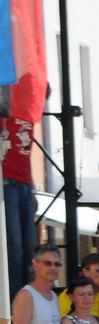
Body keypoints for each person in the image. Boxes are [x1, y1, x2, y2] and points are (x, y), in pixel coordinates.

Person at [1, 107, 36, 298]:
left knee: (30, 245)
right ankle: (14, 295)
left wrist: (32, 190)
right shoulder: (5, 114)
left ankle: (28, 293)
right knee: (14, 244)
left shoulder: (30, 118)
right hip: (7, 182)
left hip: (24, 184)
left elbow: (27, 155)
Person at [12, 245, 64, 324]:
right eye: (48, 263)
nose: (53, 268)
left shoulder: (54, 297)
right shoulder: (27, 295)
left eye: (57, 264)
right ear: (35, 265)